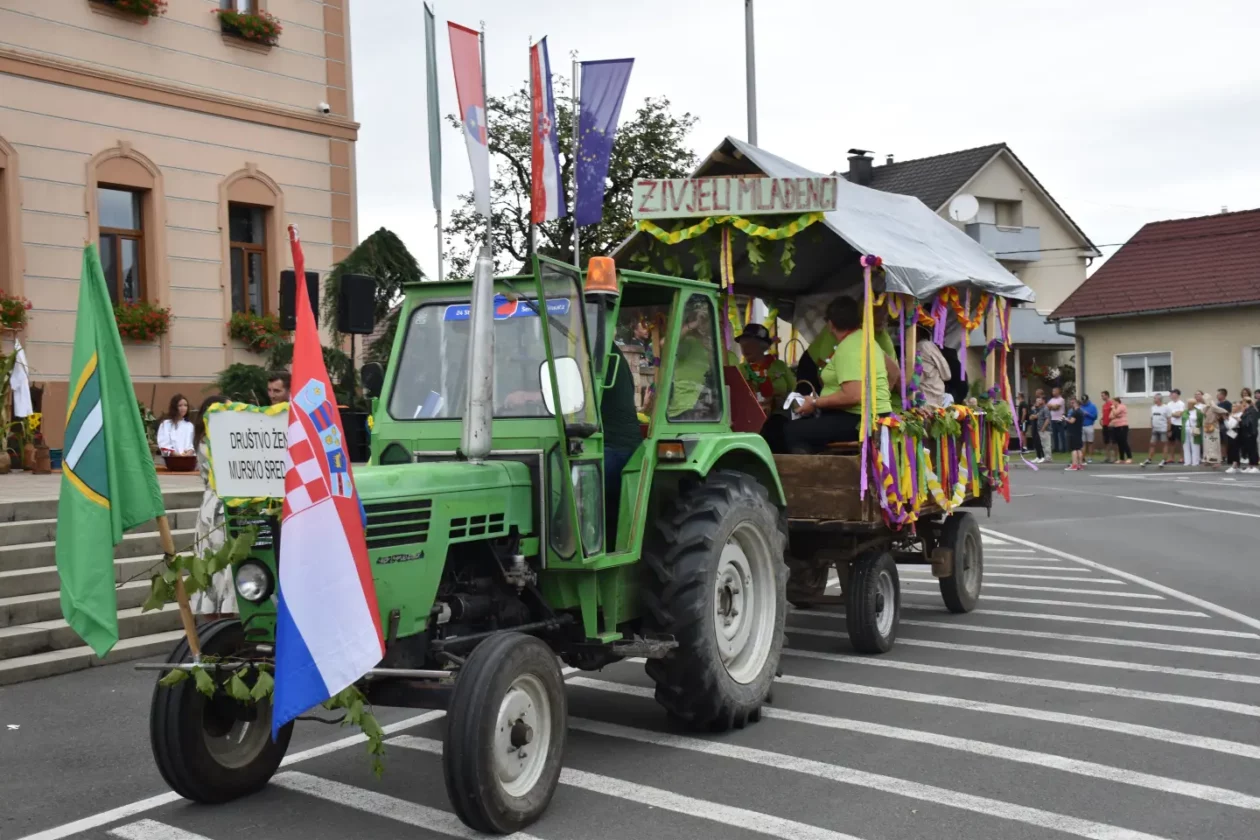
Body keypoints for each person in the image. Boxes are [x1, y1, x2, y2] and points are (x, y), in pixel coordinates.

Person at [784, 296, 892, 453]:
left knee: (792, 431)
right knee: (811, 426)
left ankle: (812, 475)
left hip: (861, 420)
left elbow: (853, 396)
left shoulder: (849, 347)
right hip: (869, 416)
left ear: (830, 324)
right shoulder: (864, 339)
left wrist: (815, 402)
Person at [189, 394, 236, 620]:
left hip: (225, 502)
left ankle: (226, 613)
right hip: (216, 505)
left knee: (226, 564)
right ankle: (215, 617)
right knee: (215, 562)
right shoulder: (207, 442)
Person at [601, 342, 642, 546]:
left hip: (615, 446)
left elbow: (574, 395)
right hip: (611, 442)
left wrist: (528, 396)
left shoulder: (602, 352)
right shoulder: (605, 348)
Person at [735, 323, 796, 451]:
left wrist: (779, 399)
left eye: (750, 344)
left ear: (762, 346)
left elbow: (795, 390)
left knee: (777, 428)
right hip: (750, 417)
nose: (745, 348)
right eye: (743, 344)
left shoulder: (779, 366)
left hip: (778, 415)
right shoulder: (740, 370)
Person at [915, 327, 951, 408]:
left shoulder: (923, 345)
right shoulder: (927, 345)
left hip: (928, 399)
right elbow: (946, 374)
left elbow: (947, 375)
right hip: (933, 397)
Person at [1200, 389, 1226, 467]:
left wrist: (1219, 416)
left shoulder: (1214, 406)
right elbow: (1202, 412)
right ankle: (1208, 460)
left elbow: (1224, 411)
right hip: (1206, 427)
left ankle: (1217, 461)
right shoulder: (1205, 407)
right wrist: (1207, 406)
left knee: (1214, 445)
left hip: (1214, 427)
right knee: (1207, 445)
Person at [1143, 393, 1168, 467]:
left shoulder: (1166, 407)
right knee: (1152, 444)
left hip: (1163, 428)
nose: (1154, 400)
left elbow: (1169, 419)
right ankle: (1149, 459)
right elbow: (1152, 418)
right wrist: (1151, 426)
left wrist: (1169, 430)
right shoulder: (1153, 407)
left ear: (1159, 399)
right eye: (1154, 398)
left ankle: (1164, 459)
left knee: (1164, 444)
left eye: (1155, 398)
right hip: (1155, 429)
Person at [1238, 397, 1259, 473]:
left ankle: (1254, 466)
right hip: (1245, 432)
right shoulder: (1246, 411)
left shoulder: (1252, 410)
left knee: (1252, 449)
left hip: (1250, 433)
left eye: (1244, 403)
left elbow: (1249, 423)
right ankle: (1250, 465)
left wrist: (1241, 420)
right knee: (1248, 450)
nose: (1243, 404)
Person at [1064, 397, 1085, 471]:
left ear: (1077, 404)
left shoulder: (1075, 412)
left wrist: (1065, 418)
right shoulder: (1081, 412)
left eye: (1074, 403)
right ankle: (1080, 464)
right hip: (1079, 431)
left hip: (1073, 432)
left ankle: (1074, 465)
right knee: (1079, 449)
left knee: (1073, 449)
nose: (1072, 404)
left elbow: (1072, 421)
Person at [1166, 388, 1186, 464]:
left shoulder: (1181, 404)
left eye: (1172, 393)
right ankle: (1171, 458)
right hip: (1171, 424)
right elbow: (1168, 415)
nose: (1170, 394)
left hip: (1179, 425)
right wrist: (1173, 414)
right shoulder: (1169, 404)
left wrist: (1171, 414)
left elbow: (1179, 415)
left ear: (1177, 394)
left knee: (1180, 442)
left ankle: (1182, 458)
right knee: (1171, 442)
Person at [1110, 396, 1132, 463]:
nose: (1112, 403)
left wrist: (1114, 410)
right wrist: (1116, 414)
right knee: (1119, 443)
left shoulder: (1122, 406)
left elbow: (1116, 413)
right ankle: (1121, 458)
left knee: (1124, 442)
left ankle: (1129, 457)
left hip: (1123, 426)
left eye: (1113, 402)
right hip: (1116, 427)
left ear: (1117, 401)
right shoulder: (1115, 408)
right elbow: (1110, 416)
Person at [1183, 395, 1203, 466]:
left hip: (1194, 429)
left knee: (1195, 445)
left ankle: (1195, 462)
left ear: (1193, 404)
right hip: (1185, 429)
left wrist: (1197, 427)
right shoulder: (1185, 411)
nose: (1187, 405)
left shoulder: (1198, 412)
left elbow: (1201, 421)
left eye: (1189, 404)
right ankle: (1187, 461)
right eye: (1187, 403)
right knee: (1186, 445)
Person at [1079, 394, 1098, 463]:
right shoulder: (1080, 406)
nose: (1084, 402)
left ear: (1087, 400)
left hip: (1089, 425)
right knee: (1083, 443)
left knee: (1090, 443)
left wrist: (1087, 414)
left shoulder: (1092, 406)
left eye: (1085, 401)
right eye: (1083, 401)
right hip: (1081, 426)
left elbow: (1095, 417)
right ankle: (1082, 457)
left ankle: (1090, 457)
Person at [1047, 387, 1066, 453]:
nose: (1053, 392)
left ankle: (1063, 448)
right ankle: (1056, 448)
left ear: (1058, 391)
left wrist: (1052, 407)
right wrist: (1053, 406)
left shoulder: (1061, 399)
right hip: (1053, 419)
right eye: (1052, 391)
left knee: (1061, 435)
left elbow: (1056, 407)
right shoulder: (1052, 399)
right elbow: (1047, 406)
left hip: (1060, 418)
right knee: (1054, 435)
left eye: (1054, 391)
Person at [1035, 396, 1052, 464]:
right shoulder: (1040, 409)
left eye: (1039, 400)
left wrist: (1043, 428)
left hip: (1045, 429)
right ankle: (1046, 457)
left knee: (1047, 444)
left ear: (1043, 401)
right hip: (1040, 429)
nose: (1038, 402)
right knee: (1043, 444)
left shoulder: (1045, 409)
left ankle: (1048, 458)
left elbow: (1047, 419)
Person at [1099, 390, 1115, 462]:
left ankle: (1113, 457)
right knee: (1106, 441)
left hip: (1111, 425)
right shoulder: (1104, 405)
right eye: (1101, 396)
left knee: (1112, 441)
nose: (1102, 397)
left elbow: (1114, 413)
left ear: (1107, 395)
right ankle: (1107, 457)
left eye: (1103, 395)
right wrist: (1101, 419)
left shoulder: (1111, 403)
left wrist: (1112, 422)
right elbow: (1105, 415)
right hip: (1105, 425)